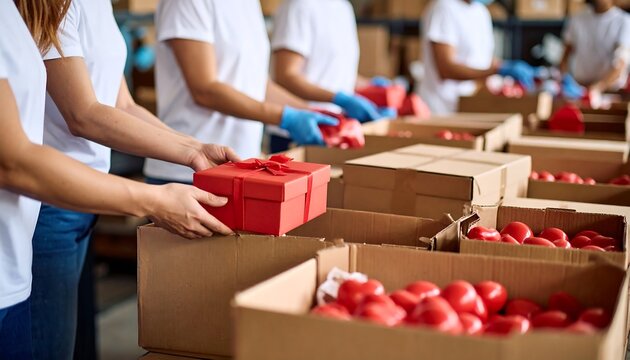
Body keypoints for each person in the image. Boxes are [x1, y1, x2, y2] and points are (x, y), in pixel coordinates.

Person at [1, 0, 235, 358]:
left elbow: (121, 104)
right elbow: (83, 114)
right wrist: (154, 199)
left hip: (84, 197)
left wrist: (194, 150)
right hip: (56, 198)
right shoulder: (38, 10)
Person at [142, 0, 339, 185]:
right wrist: (284, 117)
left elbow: (257, 84)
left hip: (242, 165)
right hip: (188, 172)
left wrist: (311, 112)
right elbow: (204, 89)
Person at [269, 0, 385, 152]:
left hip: (335, 126)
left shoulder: (344, 8)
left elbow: (336, 71)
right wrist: (339, 98)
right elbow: (286, 75)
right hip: (301, 129)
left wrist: (373, 86)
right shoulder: (298, 6)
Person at [419, 0, 536, 115]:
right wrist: (497, 70)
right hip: (439, 108)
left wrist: (506, 67)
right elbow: (445, 69)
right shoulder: (444, 7)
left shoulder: (481, 13)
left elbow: (481, 60)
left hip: (467, 105)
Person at [559, 0, 630, 99]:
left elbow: (621, 62)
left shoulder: (624, 21)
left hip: (611, 93)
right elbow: (565, 54)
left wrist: (598, 88)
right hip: (580, 90)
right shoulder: (577, 19)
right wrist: (563, 82)